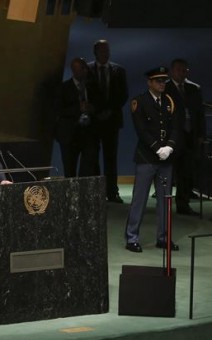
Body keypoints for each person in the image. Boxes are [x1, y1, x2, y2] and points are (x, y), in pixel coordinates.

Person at [124, 67, 179, 253]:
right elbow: (142, 130)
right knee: (139, 199)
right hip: (147, 157)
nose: (162, 84)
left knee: (165, 200)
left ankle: (163, 237)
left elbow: (175, 127)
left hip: (166, 158)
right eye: (158, 81)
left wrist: (169, 146)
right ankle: (132, 237)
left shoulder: (170, 101)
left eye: (164, 81)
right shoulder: (139, 102)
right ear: (149, 82)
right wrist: (158, 148)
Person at [88, 40, 129, 203]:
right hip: (93, 121)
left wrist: (109, 111)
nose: (106, 53)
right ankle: (97, 192)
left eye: (108, 50)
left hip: (112, 121)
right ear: (96, 52)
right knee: (93, 158)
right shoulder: (88, 70)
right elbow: (86, 92)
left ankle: (112, 192)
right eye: (103, 50)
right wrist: (97, 112)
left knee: (111, 157)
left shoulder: (119, 70)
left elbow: (123, 94)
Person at [165, 58, 206, 215]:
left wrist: (201, 134)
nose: (182, 73)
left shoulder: (194, 89)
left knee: (187, 171)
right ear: (172, 71)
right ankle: (165, 205)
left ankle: (183, 204)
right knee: (168, 171)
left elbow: (200, 114)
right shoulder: (165, 88)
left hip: (190, 136)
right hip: (171, 137)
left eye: (184, 70)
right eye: (179, 70)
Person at [55, 57, 100, 178]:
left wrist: (92, 108)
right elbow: (58, 110)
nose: (85, 71)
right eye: (82, 69)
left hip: (88, 134)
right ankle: (71, 196)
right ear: (74, 70)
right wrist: (77, 109)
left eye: (85, 68)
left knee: (88, 168)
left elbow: (99, 106)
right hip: (69, 135)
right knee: (69, 169)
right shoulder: (64, 88)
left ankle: (83, 195)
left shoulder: (92, 87)